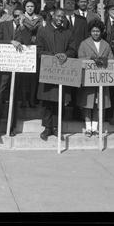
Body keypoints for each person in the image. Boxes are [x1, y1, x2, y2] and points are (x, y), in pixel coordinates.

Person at [36, 8, 78, 140]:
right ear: (52, 16)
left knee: (59, 100)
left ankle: (56, 127)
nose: (60, 19)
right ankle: (47, 127)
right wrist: (53, 56)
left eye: (63, 17)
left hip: (62, 71)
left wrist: (66, 55)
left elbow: (73, 49)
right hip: (48, 70)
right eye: (58, 16)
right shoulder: (43, 31)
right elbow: (39, 50)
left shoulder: (68, 32)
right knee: (47, 101)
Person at [0, 6, 32, 138]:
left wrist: (22, 26)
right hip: (4, 68)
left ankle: (11, 127)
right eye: (15, 16)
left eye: (20, 16)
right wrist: (11, 42)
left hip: (17, 68)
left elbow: (28, 42)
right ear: (12, 16)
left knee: (14, 97)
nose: (17, 18)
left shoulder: (25, 28)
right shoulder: (4, 25)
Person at [76, 19, 114, 137]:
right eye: (93, 31)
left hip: (101, 79)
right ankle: (88, 127)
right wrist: (91, 58)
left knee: (99, 104)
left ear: (101, 32)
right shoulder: (84, 43)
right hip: (88, 79)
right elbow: (80, 59)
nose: (96, 33)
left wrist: (104, 60)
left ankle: (95, 127)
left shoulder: (106, 45)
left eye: (98, 31)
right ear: (90, 32)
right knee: (88, 104)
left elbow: (112, 60)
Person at [19, 0, 41, 108]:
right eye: (28, 6)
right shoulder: (21, 18)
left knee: (34, 77)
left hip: (35, 49)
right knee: (24, 76)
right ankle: (23, 100)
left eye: (32, 6)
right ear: (25, 7)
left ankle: (32, 99)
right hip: (24, 49)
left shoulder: (39, 18)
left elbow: (41, 32)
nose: (30, 8)